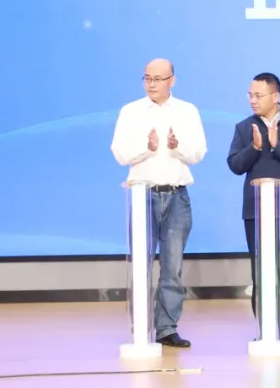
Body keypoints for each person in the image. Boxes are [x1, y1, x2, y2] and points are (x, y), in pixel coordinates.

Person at [111, 58, 207, 348]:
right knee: (140, 265)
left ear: (172, 81)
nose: (151, 84)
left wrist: (177, 147)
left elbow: (198, 153)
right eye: (147, 78)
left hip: (177, 196)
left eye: (157, 79)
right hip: (143, 196)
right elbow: (120, 153)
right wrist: (147, 148)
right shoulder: (131, 111)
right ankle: (141, 327)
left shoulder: (187, 111)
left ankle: (166, 328)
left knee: (172, 267)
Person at [227, 72, 280, 347]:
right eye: (250, 95)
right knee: (261, 271)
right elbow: (235, 164)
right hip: (256, 211)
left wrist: (278, 145)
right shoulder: (244, 127)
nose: (253, 100)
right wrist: (254, 148)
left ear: (275, 96)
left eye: (258, 95)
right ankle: (265, 327)